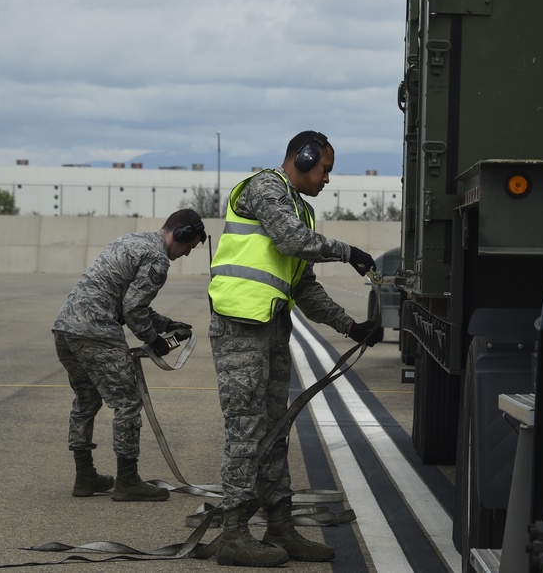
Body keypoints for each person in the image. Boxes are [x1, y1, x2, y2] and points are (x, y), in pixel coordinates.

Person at [207, 131, 382, 567]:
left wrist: (350, 325)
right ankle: (232, 533)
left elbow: (304, 285)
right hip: (240, 328)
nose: (326, 179)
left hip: (271, 328)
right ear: (302, 159)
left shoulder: (300, 208)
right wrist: (348, 252)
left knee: (275, 429)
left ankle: (280, 525)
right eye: (324, 169)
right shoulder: (265, 188)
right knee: (246, 431)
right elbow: (290, 241)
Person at [53, 208, 206, 502]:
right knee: (127, 402)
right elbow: (133, 310)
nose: (187, 253)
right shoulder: (158, 260)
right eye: (190, 245)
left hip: (65, 328)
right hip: (95, 329)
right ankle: (127, 480)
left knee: (87, 399)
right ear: (182, 234)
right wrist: (154, 340)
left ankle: (84, 477)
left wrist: (165, 324)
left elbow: (126, 300)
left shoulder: (131, 241)